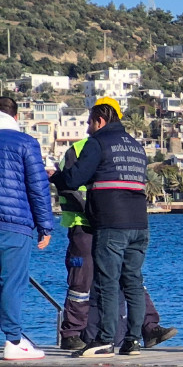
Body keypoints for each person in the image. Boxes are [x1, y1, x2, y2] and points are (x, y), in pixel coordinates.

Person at [55, 112, 176, 352]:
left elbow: (71, 182)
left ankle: (113, 335)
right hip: (122, 222)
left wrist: (57, 179)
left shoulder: (93, 145)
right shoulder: (132, 147)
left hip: (100, 223)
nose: (88, 127)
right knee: (124, 279)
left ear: (99, 121)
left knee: (110, 281)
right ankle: (130, 335)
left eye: (89, 121)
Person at [0, 95, 54, 361]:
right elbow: (38, 186)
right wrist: (45, 226)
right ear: (16, 117)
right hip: (14, 223)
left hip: (14, 223)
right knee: (12, 282)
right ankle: (13, 341)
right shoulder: (26, 143)